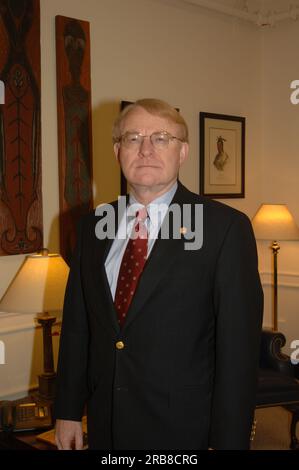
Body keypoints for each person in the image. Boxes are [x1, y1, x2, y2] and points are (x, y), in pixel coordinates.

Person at [54, 98, 263, 450]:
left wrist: (229, 441)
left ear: (182, 152)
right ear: (117, 151)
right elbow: (78, 327)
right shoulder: (91, 227)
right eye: (133, 138)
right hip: (107, 424)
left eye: (161, 138)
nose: (146, 149)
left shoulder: (224, 229)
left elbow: (238, 353)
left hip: (184, 429)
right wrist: (68, 411)